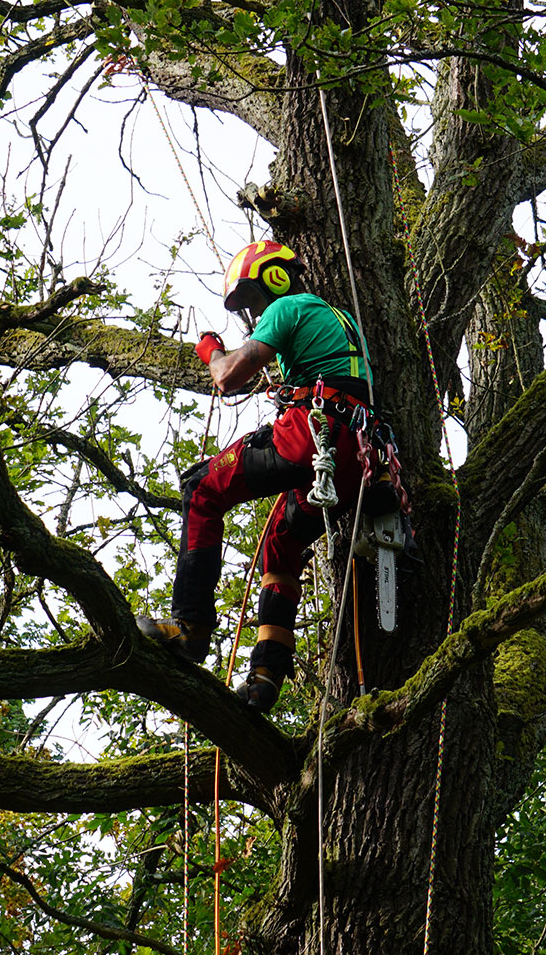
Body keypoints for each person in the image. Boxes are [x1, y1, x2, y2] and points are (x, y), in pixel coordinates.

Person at [136, 240, 376, 712]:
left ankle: (189, 627)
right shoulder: (338, 321)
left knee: (200, 487)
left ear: (275, 280)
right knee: (280, 542)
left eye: (251, 300)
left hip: (312, 434)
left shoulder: (287, 307)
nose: (252, 315)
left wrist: (211, 350)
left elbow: (228, 378)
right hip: (357, 457)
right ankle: (266, 676)